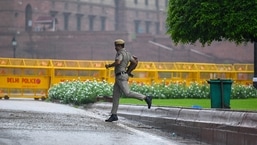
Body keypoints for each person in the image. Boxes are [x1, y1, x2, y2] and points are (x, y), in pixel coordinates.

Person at [105, 39, 152, 122]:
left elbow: (118, 61)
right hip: (121, 76)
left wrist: (109, 65)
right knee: (115, 96)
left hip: (121, 76)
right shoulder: (128, 54)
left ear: (120, 46)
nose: (115, 48)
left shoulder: (120, 53)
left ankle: (145, 97)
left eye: (116, 46)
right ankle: (114, 114)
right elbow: (135, 62)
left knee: (127, 93)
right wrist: (129, 71)